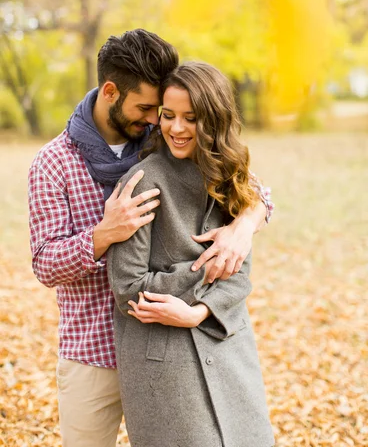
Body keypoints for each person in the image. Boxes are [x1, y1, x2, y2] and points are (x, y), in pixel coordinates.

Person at [28, 29, 273, 447]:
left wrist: (241, 229)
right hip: (94, 347)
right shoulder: (54, 162)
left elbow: (255, 193)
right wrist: (103, 236)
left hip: (174, 343)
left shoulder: (165, 138)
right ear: (110, 91)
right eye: (147, 108)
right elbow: (45, 264)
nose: (154, 119)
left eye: (158, 109)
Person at [107, 61, 275, 447]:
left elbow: (241, 271)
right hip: (165, 364)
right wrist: (208, 270)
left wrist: (198, 313)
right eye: (168, 116)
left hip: (227, 344)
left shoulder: (232, 175)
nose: (176, 128)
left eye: (191, 118)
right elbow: (128, 286)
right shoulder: (142, 182)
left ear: (214, 120)